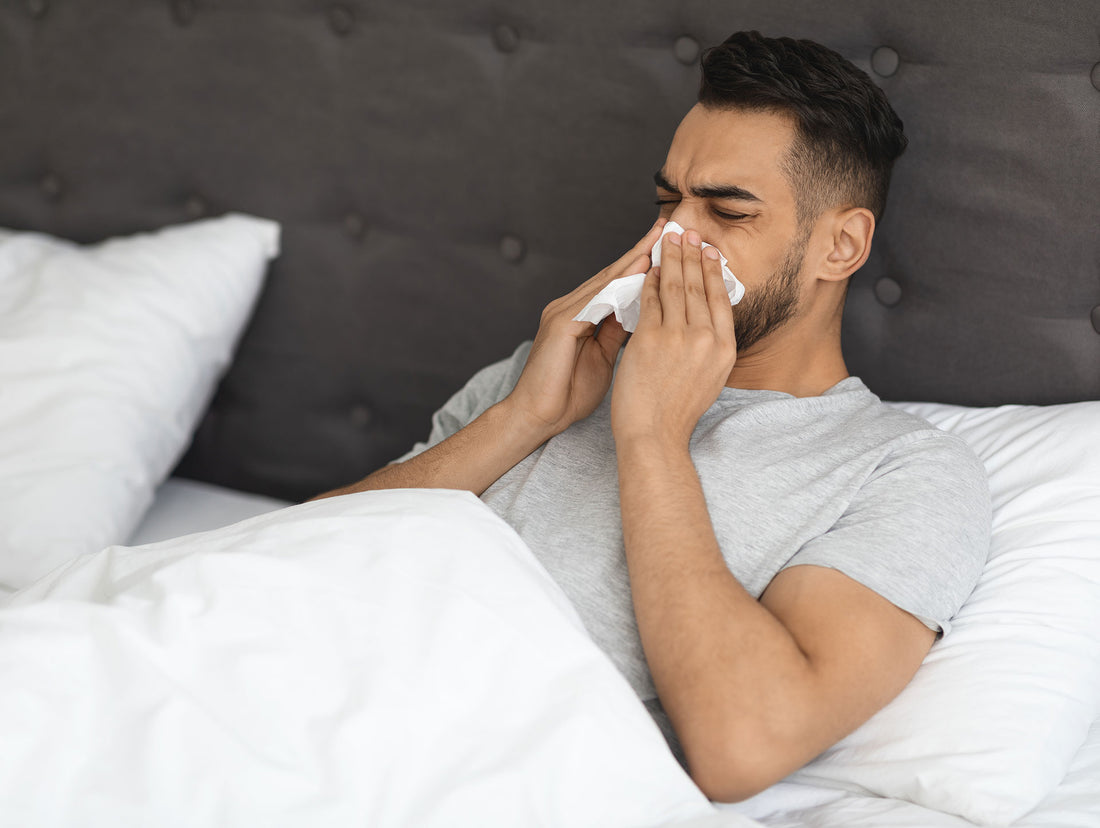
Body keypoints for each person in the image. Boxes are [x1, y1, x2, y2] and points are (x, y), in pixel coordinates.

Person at [315, 31, 990, 801]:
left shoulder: (900, 472)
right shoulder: (555, 369)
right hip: (298, 678)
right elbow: (288, 560)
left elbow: (744, 743)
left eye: (728, 211)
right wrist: (522, 418)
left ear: (840, 245)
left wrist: (654, 438)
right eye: (669, 202)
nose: (675, 241)